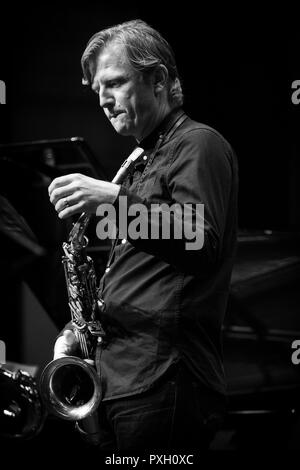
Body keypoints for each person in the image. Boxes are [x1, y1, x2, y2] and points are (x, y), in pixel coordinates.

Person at [48, 19, 239, 453]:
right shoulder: (141, 162)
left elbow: (199, 240)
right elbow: (138, 274)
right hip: (123, 381)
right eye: (98, 90)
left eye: (114, 83)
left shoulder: (198, 144)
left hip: (164, 380)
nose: (103, 100)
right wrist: (77, 329)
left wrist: (113, 199)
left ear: (158, 80)